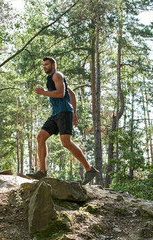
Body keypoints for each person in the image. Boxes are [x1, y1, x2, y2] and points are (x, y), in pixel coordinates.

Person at [26, 57, 99, 185]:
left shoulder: (57, 75)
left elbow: (60, 93)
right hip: (56, 114)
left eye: (47, 64)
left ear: (53, 65)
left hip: (64, 112)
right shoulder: (54, 78)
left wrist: (43, 93)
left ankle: (89, 169)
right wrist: (75, 113)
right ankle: (42, 171)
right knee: (41, 137)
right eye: (43, 65)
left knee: (66, 142)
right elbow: (72, 94)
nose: (44, 67)